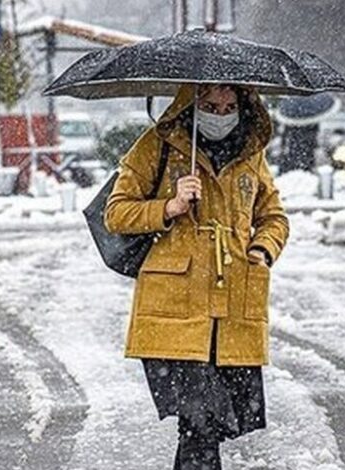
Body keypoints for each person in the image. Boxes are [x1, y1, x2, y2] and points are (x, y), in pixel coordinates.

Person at [104, 83, 289, 470]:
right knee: (201, 420)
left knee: (210, 425)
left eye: (228, 107)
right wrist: (169, 205)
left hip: (233, 309)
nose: (219, 115)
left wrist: (261, 250)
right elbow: (116, 214)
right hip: (174, 310)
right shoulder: (158, 145)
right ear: (191, 104)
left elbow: (273, 217)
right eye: (209, 105)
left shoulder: (251, 154)